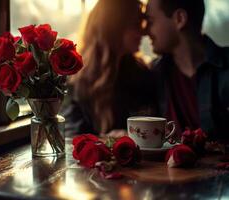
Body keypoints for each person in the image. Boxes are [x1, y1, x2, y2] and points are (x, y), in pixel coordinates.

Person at [62, 0, 157, 137]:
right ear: (114, 27)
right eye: (136, 24)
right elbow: (72, 138)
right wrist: (106, 141)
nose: (143, 32)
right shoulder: (76, 80)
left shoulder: (144, 74)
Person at [146, 0, 229, 140]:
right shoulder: (155, 75)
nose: (145, 30)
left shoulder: (226, 68)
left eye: (151, 20)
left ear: (179, 19)